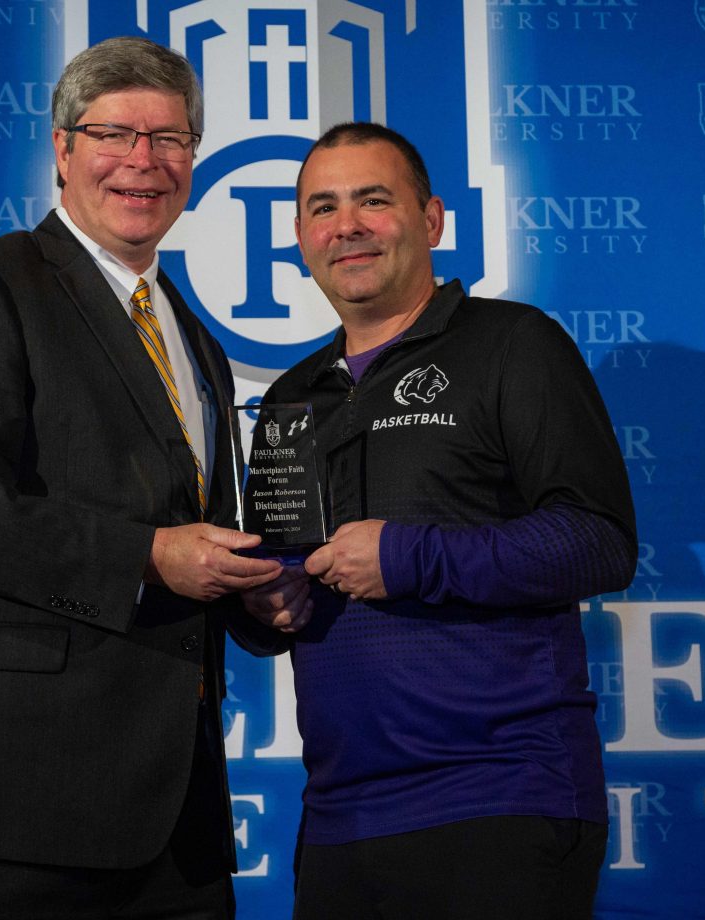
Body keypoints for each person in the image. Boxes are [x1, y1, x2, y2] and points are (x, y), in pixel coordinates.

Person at [0, 36, 282, 919]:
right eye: (113, 133)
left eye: (169, 139)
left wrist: (261, 598)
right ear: (61, 147)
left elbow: (193, 532)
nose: (142, 161)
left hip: (175, 823)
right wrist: (149, 555)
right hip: (5, 810)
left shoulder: (192, 335)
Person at [243, 123, 638, 919]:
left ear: (431, 220)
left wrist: (411, 555)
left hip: (499, 797)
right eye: (323, 208)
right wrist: (260, 608)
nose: (345, 226)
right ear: (298, 237)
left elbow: (599, 540)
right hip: (338, 818)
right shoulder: (288, 398)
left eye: (372, 201)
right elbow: (278, 579)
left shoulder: (514, 344)